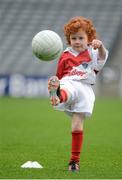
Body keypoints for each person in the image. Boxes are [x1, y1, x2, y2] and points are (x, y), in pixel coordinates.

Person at [48, 16, 108, 172]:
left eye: (81, 38)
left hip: (86, 88)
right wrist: (57, 87)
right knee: (67, 88)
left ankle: (74, 162)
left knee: (76, 125)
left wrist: (100, 46)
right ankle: (58, 95)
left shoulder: (93, 52)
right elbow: (59, 77)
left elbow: (102, 59)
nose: (77, 41)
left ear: (89, 38)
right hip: (69, 82)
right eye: (73, 38)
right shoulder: (65, 55)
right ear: (69, 39)